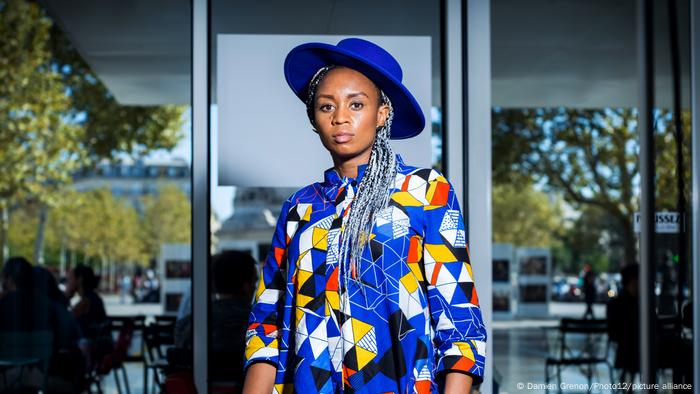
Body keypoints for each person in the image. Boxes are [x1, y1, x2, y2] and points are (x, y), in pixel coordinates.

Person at [243, 38, 487, 394]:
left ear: (382, 112)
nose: (340, 117)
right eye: (326, 106)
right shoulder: (300, 207)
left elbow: (459, 314)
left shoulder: (425, 191)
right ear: (314, 117)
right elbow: (266, 320)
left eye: (356, 104)